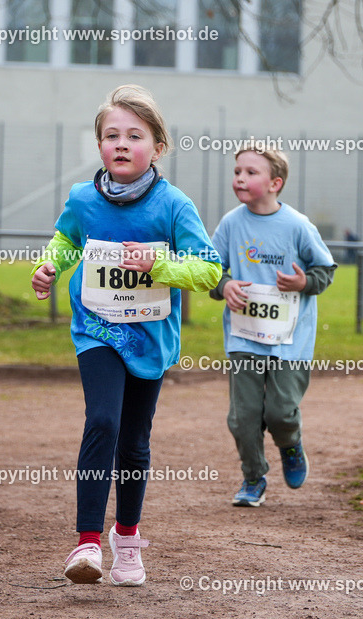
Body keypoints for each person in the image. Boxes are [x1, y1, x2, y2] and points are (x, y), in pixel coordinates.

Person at [30, 85, 221, 586]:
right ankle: (87, 543)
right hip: (95, 329)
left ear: (157, 147)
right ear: (99, 146)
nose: (121, 144)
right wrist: (51, 266)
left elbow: (208, 270)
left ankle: (127, 538)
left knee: (134, 442)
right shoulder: (82, 199)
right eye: (111, 135)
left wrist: (159, 262)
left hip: (149, 339)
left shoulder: (174, 206)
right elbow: (67, 240)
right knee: (103, 421)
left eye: (134, 136)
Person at [209, 141, 337, 507]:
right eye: (237, 172)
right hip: (244, 338)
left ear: (275, 183)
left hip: (290, 342)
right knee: (243, 418)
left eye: (251, 172)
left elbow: (324, 271)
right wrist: (225, 285)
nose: (240, 178)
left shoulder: (297, 225)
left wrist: (303, 283)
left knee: (280, 412)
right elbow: (210, 270)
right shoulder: (231, 224)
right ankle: (253, 478)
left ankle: (290, 443)